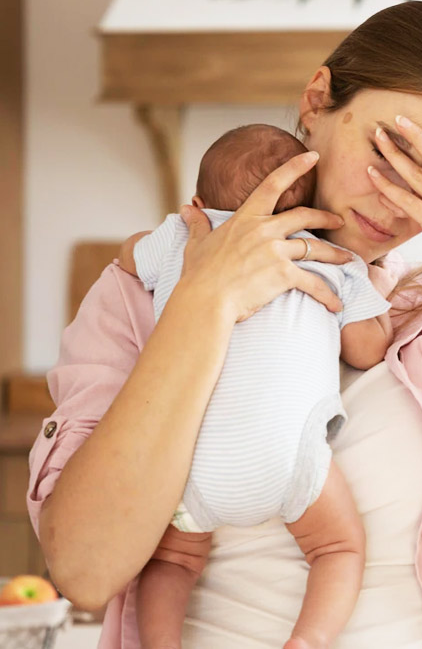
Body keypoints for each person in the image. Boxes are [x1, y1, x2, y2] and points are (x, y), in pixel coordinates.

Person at [27, 0, 422, 648]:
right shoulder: (144, 294)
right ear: (317, 101)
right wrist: (205, 303)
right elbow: (87, 569)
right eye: (389, 147)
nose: (395, 197)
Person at [120, 123, 396, 649]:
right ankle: (308, 641)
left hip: (188, 462)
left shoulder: (183, 240)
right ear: (309, 211)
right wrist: (376, 289)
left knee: (174, 560)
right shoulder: (329, 258)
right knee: (338, 550)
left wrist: (167, 232)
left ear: (200, 202)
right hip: (287, 459)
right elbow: (369, 350)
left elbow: (127, 259)